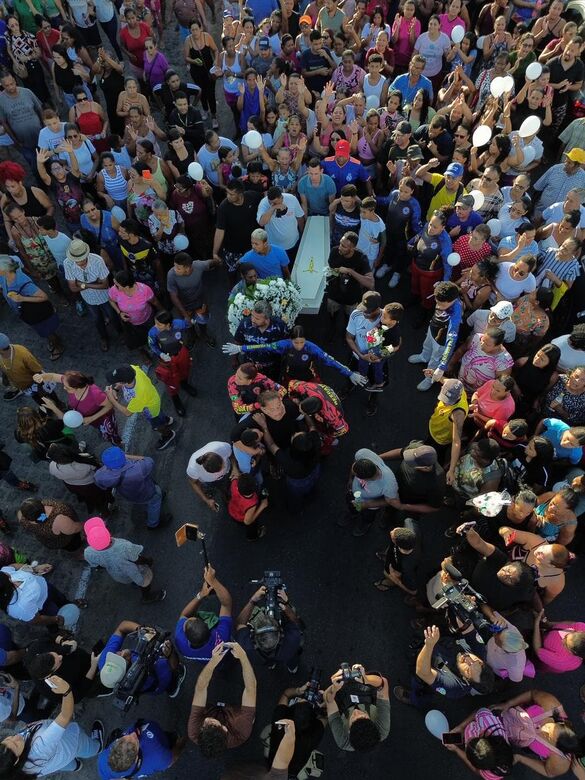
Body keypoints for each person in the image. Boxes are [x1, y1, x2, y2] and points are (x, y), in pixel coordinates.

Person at [0, 677, 104, 775]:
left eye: (8, 739)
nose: (16, 737)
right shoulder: (40, 746)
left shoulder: (16, 770)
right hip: (71, 743)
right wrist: (66, 691)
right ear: (16, 761)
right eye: (15, 744)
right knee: (86, 747)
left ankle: (76, 766)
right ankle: (97, 748)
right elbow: (65, 716)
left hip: (56, 759)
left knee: (61, 763)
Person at [394, 625, 495, 707]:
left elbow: (422, 672)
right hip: (441, 643)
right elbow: (466, 625)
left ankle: (415, 699)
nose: (468, 660)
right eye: (476, 661)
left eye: (468, 670)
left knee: (419, 683)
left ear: (466, 679)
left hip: (430, 667)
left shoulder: (455, 688)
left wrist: (429, 645)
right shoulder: (480, 651)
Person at [188, 642, 256, 757]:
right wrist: (243, 657)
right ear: (224, 729)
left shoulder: (194, 732)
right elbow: (251, 688)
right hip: (235, 713)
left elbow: (200, 689)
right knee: (249, 710)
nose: (206, 720)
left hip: (214, 707)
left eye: (203, 726)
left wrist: (213, 661)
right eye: (212, 724)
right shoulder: (241, 728)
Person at [83, 517, 165, 603]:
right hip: (132, 571)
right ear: (108, 532)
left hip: (117, 574)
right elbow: (137, 559)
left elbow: (97, 566)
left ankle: (134, 583)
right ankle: (146, 597)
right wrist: (148, 561)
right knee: (144, 582)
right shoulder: (124, 546)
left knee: (130, 579)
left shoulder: (88, 552)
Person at [98, 620, 185, 699]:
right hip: (160, 683)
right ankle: (173, 685)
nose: (118, 653)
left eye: (115, 658)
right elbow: (174, 666)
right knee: (170, 676)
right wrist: (170, 652)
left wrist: (141, 630)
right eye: (122, 659)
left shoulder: (105, 662)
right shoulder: (156, 669)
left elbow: (122, 627)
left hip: (148, 688)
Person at [94, 446, 169, 530]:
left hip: (128, 495)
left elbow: (101, 485)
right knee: (155, 502)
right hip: (147, 492)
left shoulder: (101, 476)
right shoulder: (139, 468)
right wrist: (127, 456)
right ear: (123, 457)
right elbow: (149, 460)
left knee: (144, 501)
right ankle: (153, 524)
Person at [104, 364, 176, 451]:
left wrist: (112, 399)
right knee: (159, 413)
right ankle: (166, 420)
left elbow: (127, 412)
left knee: (157, 424)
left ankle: (168, 434)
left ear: (123, 382)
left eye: (115, 381)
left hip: (150, 409)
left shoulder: (138, 394)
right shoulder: (132, 369)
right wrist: (116, 389)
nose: (114, 383)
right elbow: (122, 382)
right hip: (152, 397)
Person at [324, 663, 390, 752]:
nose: (356, 712)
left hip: (344, 704)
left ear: (349, 731)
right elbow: (383, 684)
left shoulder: (343, 741)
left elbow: (329, 701)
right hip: (366, 698)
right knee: (374, 676)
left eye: (353, 719)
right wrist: (365, 679)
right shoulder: (382, 730)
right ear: (373, 723)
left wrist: (334, 688)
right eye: (364, 716)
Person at [175, 564, 233, 661]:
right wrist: (213, 581)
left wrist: (201, 595)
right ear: (208, 625)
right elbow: (226, 604)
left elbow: (184, 615)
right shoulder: (222, 637)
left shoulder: (180, 640)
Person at [167, 251, 220, 347]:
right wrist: (185, 314)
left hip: (200, 302)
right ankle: (192, 336)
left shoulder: (198, 265)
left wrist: (218, 261)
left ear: (187, 268)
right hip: (184, 306)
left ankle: (204, 335)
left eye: (178, 268)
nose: (175, 269)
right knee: (188, 324)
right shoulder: (171, 275)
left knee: (203, 321)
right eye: (175, 266)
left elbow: (212, 262)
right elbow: (173, 296)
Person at [98, 720, 184, 779]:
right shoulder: (161, 756)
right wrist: (181, 743)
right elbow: (173, 758)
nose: (133, 734)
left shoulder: (102, 761)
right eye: (135, 741)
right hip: (163, 742)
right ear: (136, 759)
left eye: (123, 738)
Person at [17, 497, 83, 553]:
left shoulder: (21, 518)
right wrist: (84, 525)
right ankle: (78, 553)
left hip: (50, 540)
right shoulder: (58, 520)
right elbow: (75, 529)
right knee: (75, 546)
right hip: (68, 540)